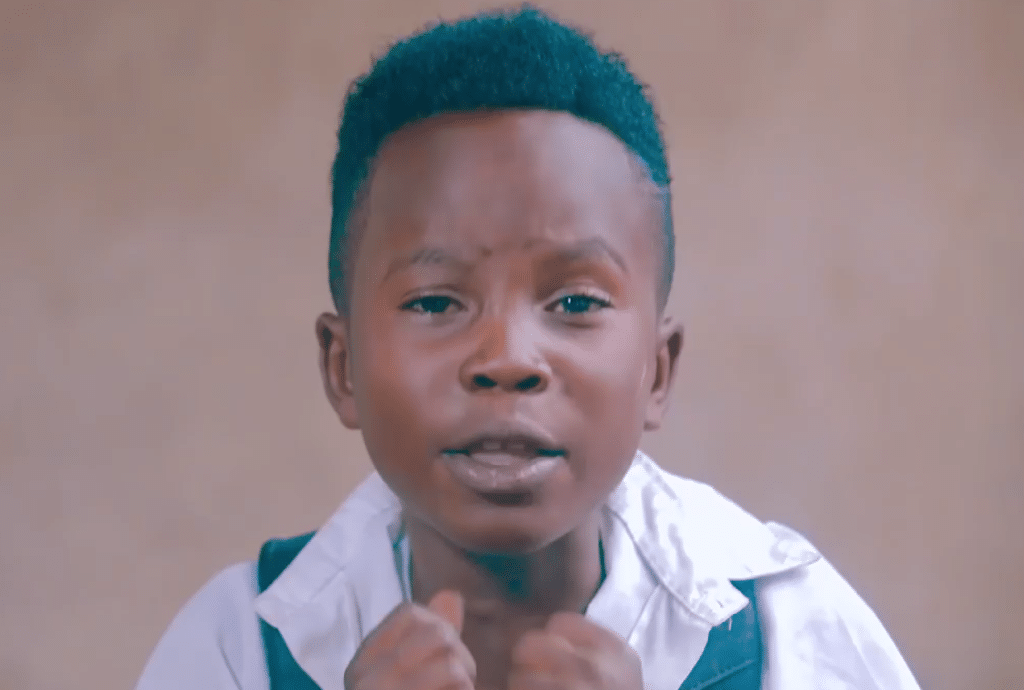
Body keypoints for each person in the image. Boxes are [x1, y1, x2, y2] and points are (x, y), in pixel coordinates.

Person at [135, 5, 922, 690]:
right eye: (435, 301)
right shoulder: (238, 646)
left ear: (657, 371)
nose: (506, 358)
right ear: (343, 369)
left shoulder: (789, 633)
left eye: (575, 302)